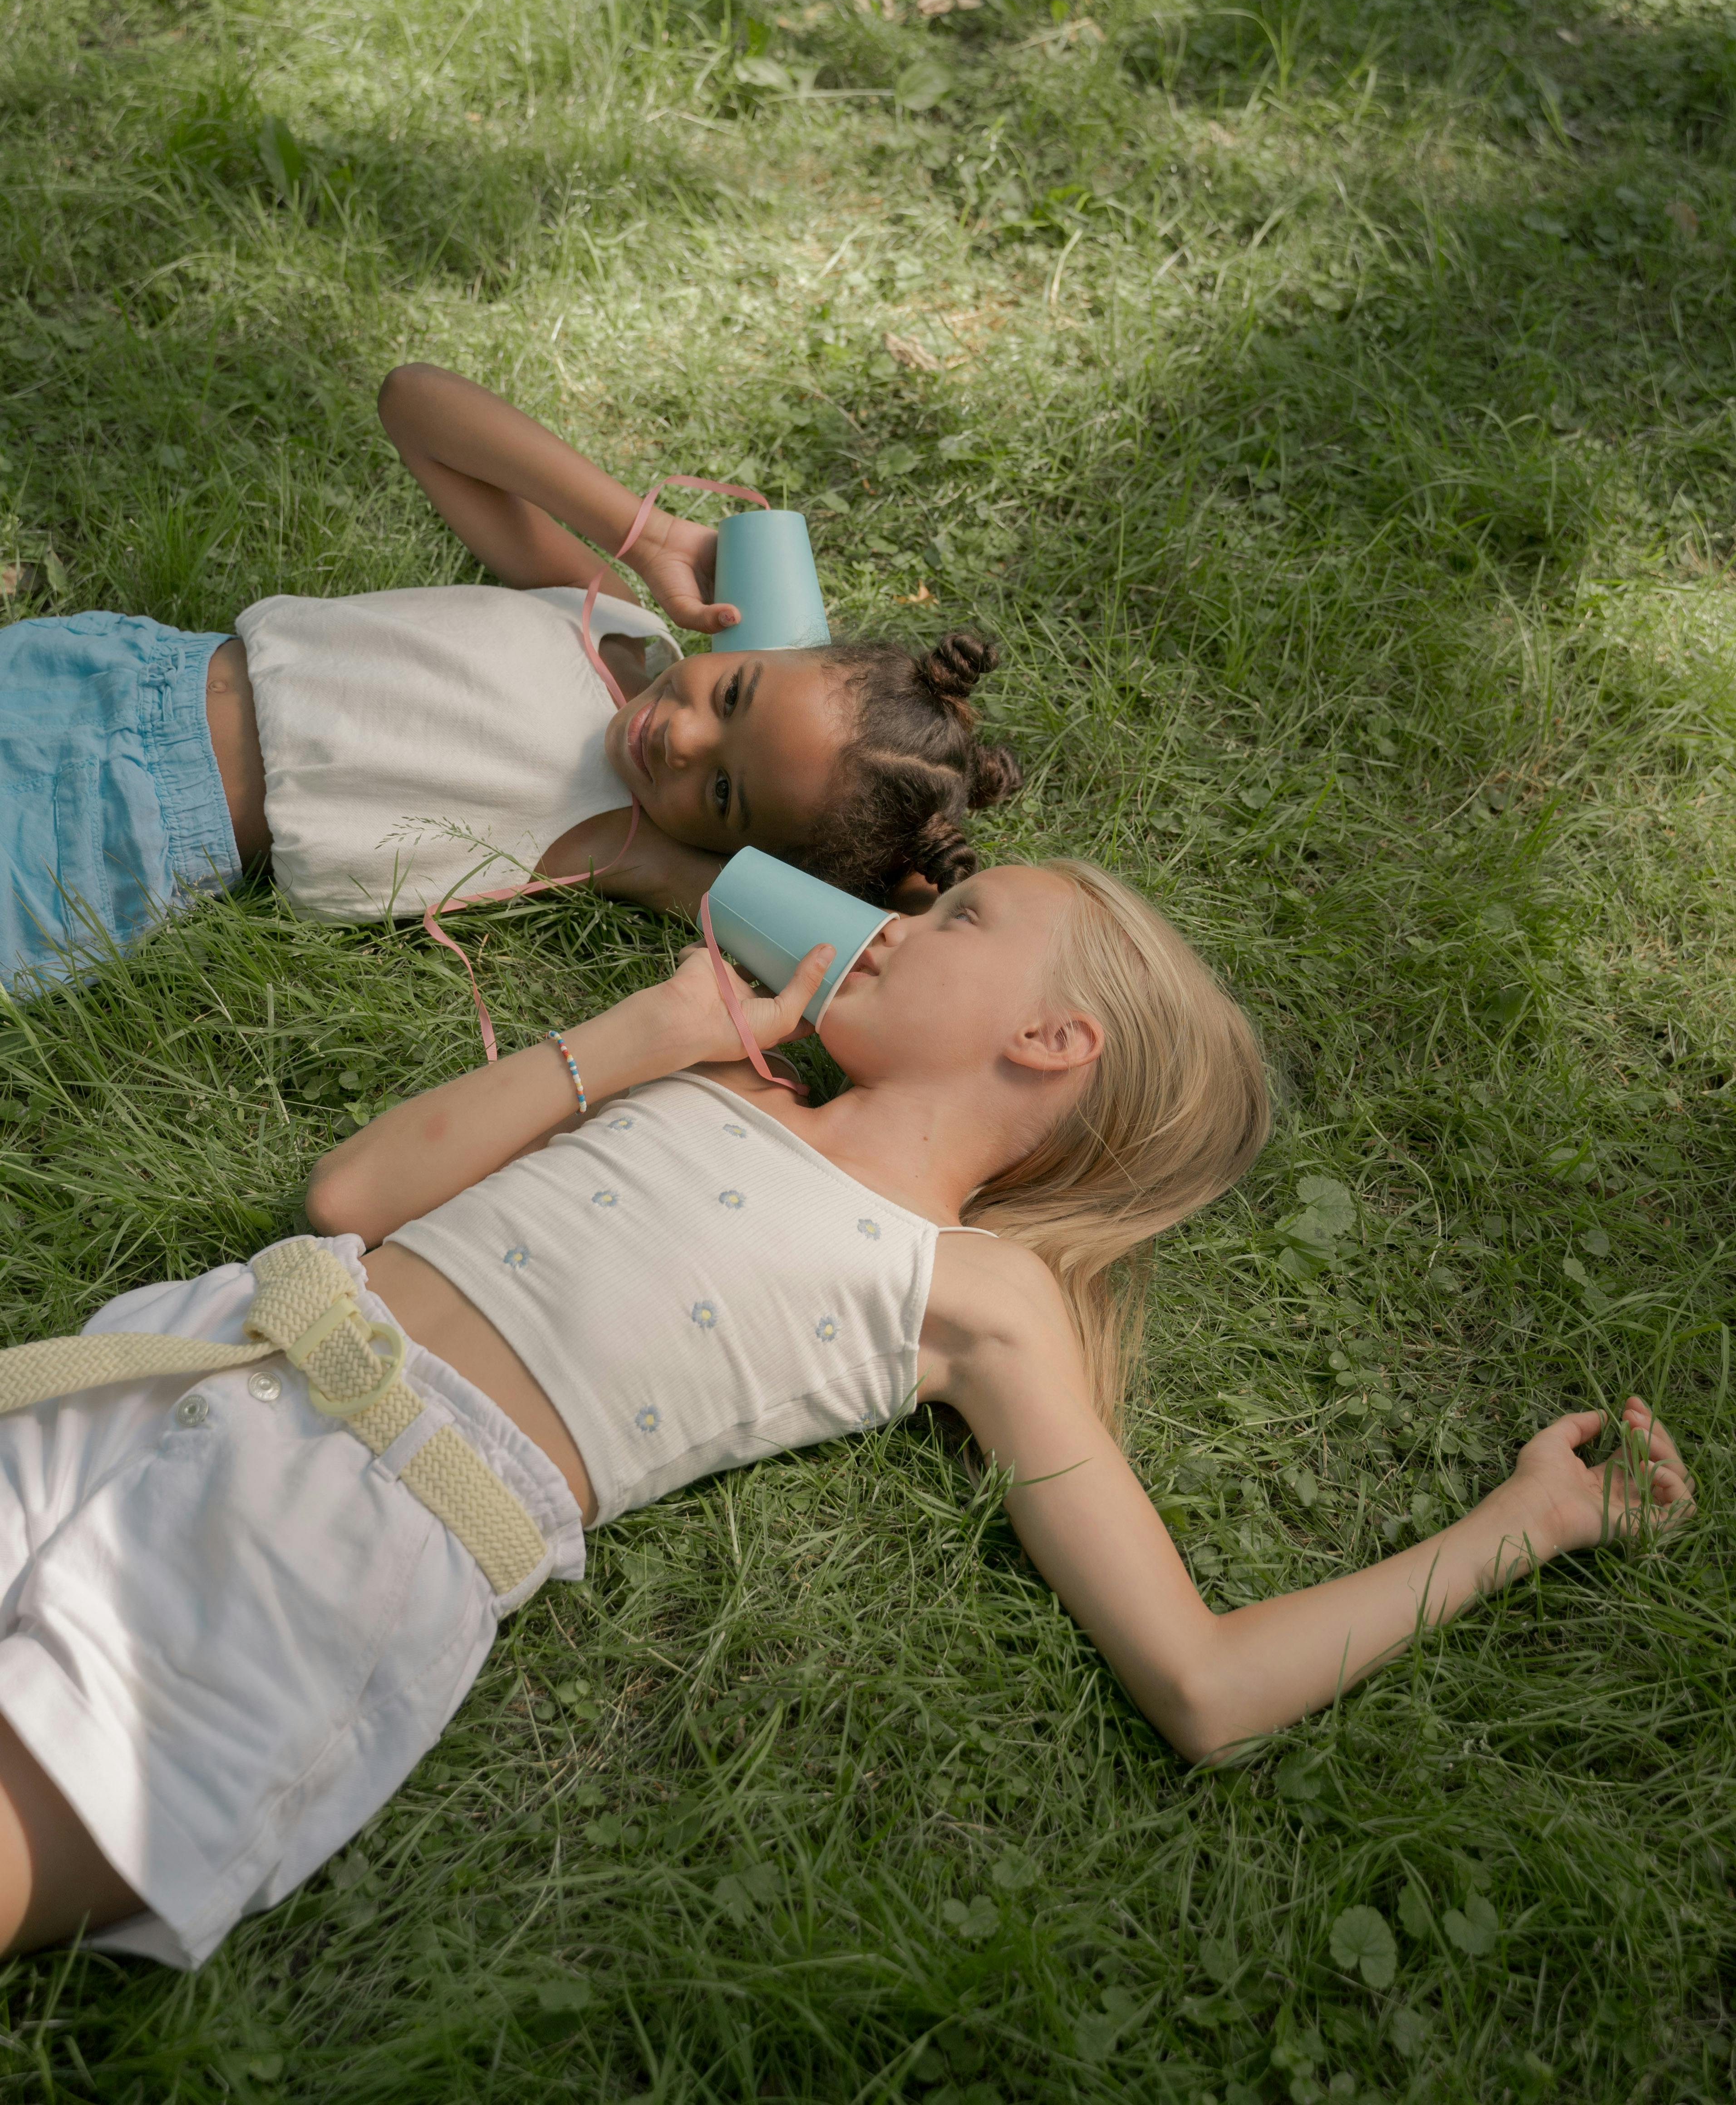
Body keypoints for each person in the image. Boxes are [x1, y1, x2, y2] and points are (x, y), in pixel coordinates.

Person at [0, 859, 1691, 1964]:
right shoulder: (717, 1068)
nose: (891, 916)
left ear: (1048, 1035)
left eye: (954, 918)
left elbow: (1203, 1681)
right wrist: (646, 1026)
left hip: (348, 1531)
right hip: (197, 1348)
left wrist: (1521, 1523)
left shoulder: (972, 1293)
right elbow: (354, 1188)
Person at [0, 364, 1021, 997]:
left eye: (722, 792)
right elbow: (417, 404)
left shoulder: (619, 841)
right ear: (766, 639)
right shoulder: (602, 612)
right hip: (122, 667)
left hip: (117, 839)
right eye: (732, 694)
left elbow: (856, 966)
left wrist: (895, 881)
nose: (681, 740)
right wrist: (648, 532)